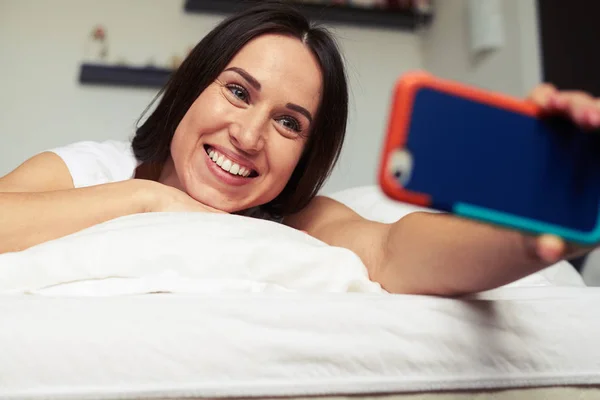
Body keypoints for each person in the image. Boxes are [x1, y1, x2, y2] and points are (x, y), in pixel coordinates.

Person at [0, 2, 599, 296]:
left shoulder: (296, 216)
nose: (249, 136)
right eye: (238, 92)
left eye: (289, 123)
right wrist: (143, 200)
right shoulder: (88, 169)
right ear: (190, 89)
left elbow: (393, 251)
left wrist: (531, 234)